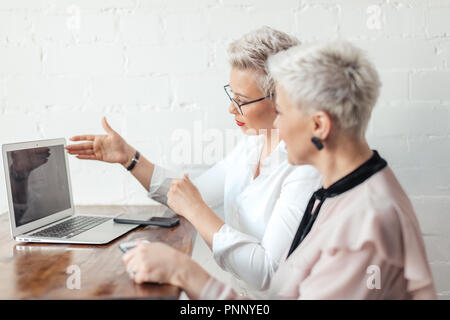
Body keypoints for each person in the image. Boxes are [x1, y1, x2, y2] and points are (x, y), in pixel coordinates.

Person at [122, 40, 437, 299]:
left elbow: (269, 280)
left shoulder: (366, 226)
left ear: (319, 125)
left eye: (282, 114)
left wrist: (185, 273)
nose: (277, 127)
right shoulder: (341, 193)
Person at [65, 26, 321, 295]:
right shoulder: (253, 144)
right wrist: (129, 158)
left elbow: (268, 273)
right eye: (231, 95)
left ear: (281, 98)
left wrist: (197, 211)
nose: (231, 108)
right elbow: (187, 194)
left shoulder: (307, 169)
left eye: (242, 100)